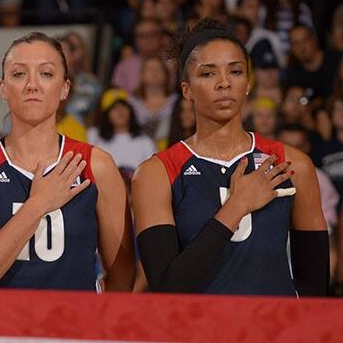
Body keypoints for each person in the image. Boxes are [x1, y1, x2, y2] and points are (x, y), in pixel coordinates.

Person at [132, 18, 328, 296]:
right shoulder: (157, 173)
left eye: (235, 71)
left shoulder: (293, 164)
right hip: (199, 324)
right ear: (187, 89)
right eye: (208, 74)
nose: (224, 83)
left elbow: (315, 289)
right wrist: (237, 206)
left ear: (247, 83)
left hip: (274, 322)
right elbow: (167, 286)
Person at [0, 32, 135, 290]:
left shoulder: (96, 164)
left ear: (65, 88)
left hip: (73, 317)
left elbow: (123, 276)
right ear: (3, 88)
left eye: (46, 73)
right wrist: (37, 205)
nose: (32, 85)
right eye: (19, 74)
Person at [88, 90, 157, 171]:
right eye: (114, 108)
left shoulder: (145, 141)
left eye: (124, 106)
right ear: (105, 114)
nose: (120, 111)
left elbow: (153, 171)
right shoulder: (93, 136)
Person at [129, 55, 179, 147]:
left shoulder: (177, 102)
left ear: (166, 74)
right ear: (142, 75)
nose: (154, 73)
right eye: (150, 69)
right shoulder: (131, 104)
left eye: (158, 69)